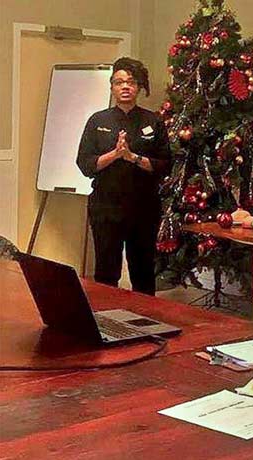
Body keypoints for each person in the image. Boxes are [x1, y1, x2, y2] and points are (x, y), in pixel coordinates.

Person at [76, 57, 170, 295]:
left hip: (143, 208)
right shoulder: (98, 121)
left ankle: (147, 320)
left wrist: (134, 158)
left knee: (143, 270)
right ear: (112, 87)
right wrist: (116, 155)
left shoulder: (153, 121)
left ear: (138, 87)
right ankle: (106, 321)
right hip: (106, 208)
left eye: (130, 82)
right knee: (107, 271)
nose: (125, 87)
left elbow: (165, 165)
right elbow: (85, 164)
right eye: (119, 82)